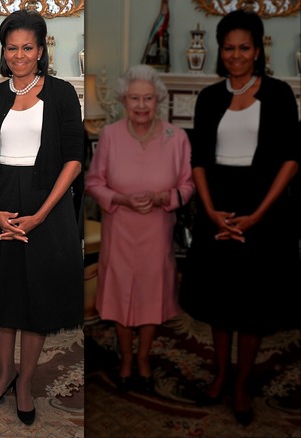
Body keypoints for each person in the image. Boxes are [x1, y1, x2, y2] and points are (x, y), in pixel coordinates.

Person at [0, 9, 84, 426]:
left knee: (38, 300)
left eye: (27, 48)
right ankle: (4, 372)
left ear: (41, 49)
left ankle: (26, 382)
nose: (18, 55)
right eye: (11, 48)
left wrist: (41, 214)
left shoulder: (63, 93)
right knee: (5, 295)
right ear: (3, 50)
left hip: (47, 206)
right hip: (1, 204)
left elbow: (74, 159)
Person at [179, 9, 299, 427]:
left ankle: (243, 382)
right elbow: (198, 160)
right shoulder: (210, 97)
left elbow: (290, 160)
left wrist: (258, 215)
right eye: (228, 47)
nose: (235, 55)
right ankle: (221, 374)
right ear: (220, 50)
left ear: (258, 49)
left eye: (243, 47)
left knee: (252, 304)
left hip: (264, 208)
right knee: (219, 300)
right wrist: (210, 211)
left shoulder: (280, 94)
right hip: (219, 206)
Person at [84, 64, 194, 393]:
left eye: (148, 98)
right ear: (123, 100)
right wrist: (122, 199)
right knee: (119, 294)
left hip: (157, 230)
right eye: (135, 98)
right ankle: (126, 359)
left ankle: (143, 358)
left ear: (158, 99)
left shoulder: (178, 139)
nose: (142, 105)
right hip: (120, 229)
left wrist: (165, 197)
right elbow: (93, 182)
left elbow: (188, 186)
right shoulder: (110, 135)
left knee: (150, 295)